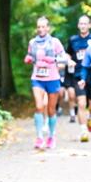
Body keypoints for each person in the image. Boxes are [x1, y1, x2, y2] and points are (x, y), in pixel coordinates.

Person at [24, 16, 68, 149]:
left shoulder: (55, 42)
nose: (40, 29)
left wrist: (53, 59)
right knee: (39, 106)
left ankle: (51, 136)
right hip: (37, 78)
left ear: (48, 28)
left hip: (53, 78)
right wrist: (28, 58)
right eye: (38, 27)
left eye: (43, 27)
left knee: (51, 110)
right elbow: (30, 56)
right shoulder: (32, 42)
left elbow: (64, 58)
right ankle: (39, 138)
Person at [65, 16, 91, 142]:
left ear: (89, 25)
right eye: (81, 24)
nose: (83, 26)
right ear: (78, 25)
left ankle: (89, 117)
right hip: (78, 75)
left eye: (85, 24)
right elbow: (68, 54)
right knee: (81, 103)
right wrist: (68, 60)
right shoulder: (73, 40)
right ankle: (83, 131)